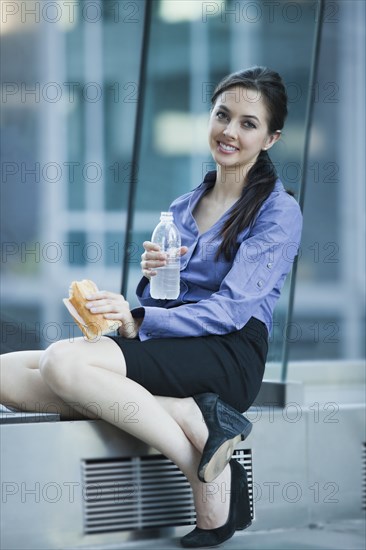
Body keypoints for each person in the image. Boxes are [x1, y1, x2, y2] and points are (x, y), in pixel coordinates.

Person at [1, 66, 302, 548]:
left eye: (248, 123)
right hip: (177, 342)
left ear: (270, 138)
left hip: (230, 353)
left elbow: (229, 311)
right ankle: (192, 420)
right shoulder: (184, 206)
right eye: (223, 115)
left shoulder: (277, 210)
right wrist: (152, 276)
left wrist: (138, 319)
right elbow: (160, 296)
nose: (229, 131)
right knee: (7, 374)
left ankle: (204, 470)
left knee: (63, 360)